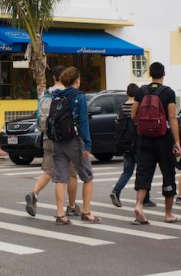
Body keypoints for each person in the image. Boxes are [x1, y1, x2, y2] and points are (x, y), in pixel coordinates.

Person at [25, 66, 80, 218]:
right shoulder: (68, 94)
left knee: (49, 170)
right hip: (65, 139)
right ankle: (72, 206)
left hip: (47, 137)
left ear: (53, 77)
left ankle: (34, 193)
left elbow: (39, 116)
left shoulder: (45, 94)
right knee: (71, 174)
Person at [131, 62, 180, 225]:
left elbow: (133, 115)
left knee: (144, 172)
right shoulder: (168, 93)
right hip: (163, 138)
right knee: (168, 173)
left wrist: (146, 126)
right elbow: (172, 118)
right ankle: (168, 213)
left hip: (145, 138)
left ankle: (139, 205)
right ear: (163, 74)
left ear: (150, 74)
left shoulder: (140, 91)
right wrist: (177, 141)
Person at [51, 67, 100, 224]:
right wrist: (87, 144)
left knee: (60, 178)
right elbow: (83, 122)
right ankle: (86, 212)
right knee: (87, 176)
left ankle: (60, 214)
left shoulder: (57, 96)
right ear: (77, 80)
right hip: (74, 141)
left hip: (58, 141)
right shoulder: (79, 97)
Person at [110, 83, 157, 208]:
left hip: (125, 144)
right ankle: (145, 198)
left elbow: (117, 124)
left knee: (127, 171)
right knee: (143, 171)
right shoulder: (139, 107)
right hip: (138, 144)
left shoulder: (121, 107)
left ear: (127, 93)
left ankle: (116, 191)